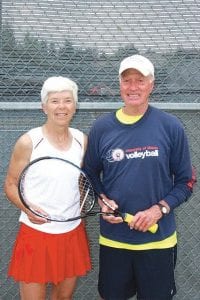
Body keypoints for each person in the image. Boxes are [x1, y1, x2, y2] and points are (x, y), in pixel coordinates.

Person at [83, 54, 196, 300]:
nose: (133, 87)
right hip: (115, 242)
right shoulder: (102, 128)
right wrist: (102, 201)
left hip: (158, 242)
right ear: (120, 85)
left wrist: (159, 209)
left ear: (151, 85)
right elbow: (89, 174)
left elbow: (186, 181)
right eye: (127, 80)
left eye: (140, 80)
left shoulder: (170, 126)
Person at [4, 76, 91, 300]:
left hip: (72, 232)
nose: (61, 107)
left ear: (75, 106)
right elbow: (11, 185)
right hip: (36, 235)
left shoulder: (83, 140)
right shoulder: (29, 142)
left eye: (67, 100)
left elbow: (81, 184)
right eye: (54, 101)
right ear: (44, 107)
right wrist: (28, 208)